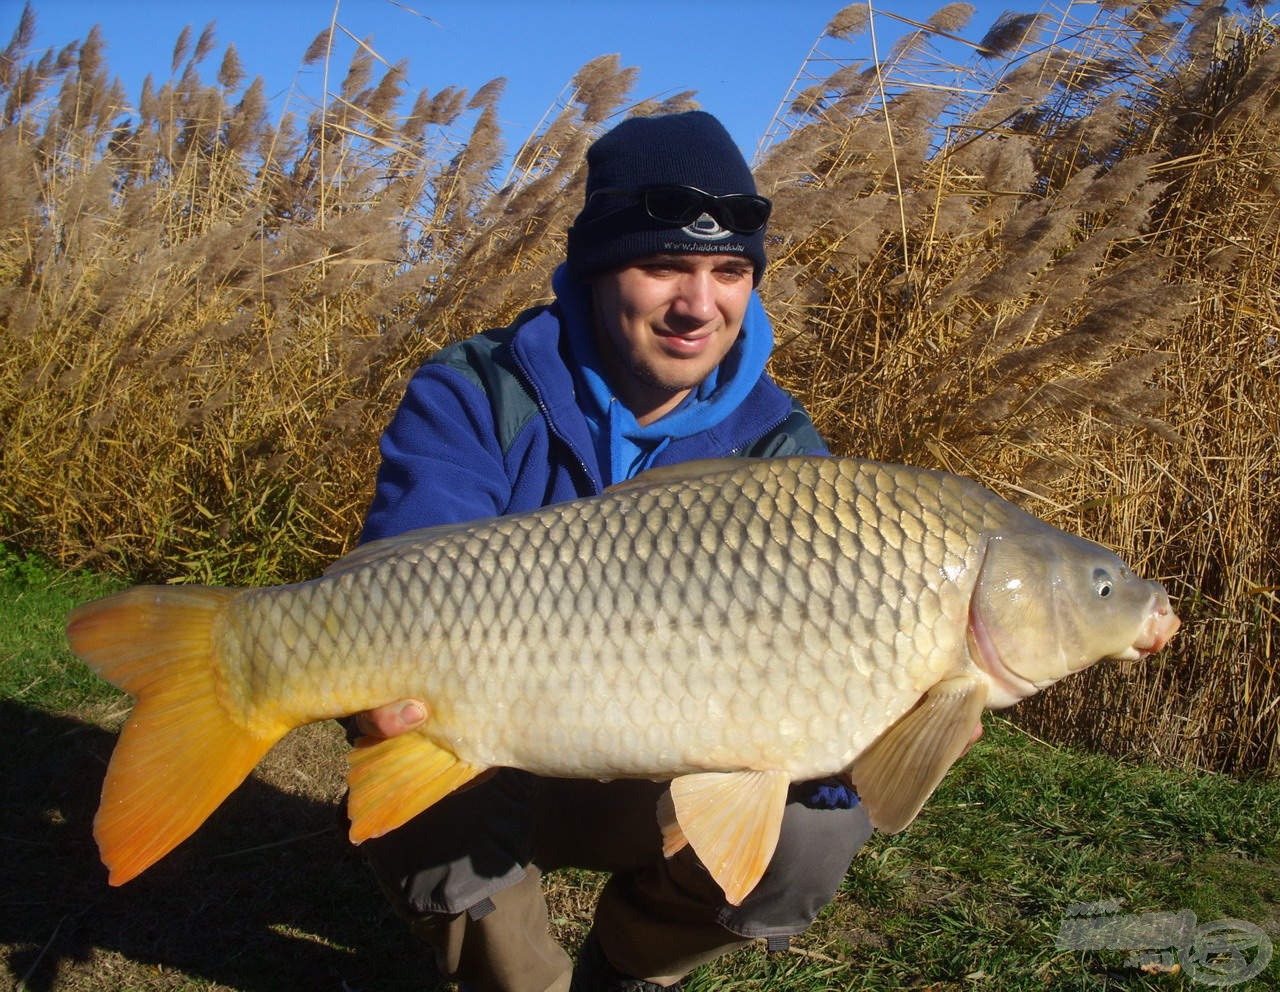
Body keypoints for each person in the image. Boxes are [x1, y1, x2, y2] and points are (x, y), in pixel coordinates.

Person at [349, 110, 873, 992]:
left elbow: (828, 711)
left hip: (671, 776)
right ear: (597, 271)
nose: (698, 306)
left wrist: (867, 736)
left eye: (729, 272)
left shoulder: (779, 448)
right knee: (423, 798)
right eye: (664, 264)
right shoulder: (476, 392)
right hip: (497, 749)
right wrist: (369, 693)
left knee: (817, 831)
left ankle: (630, 968)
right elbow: (406, 576)